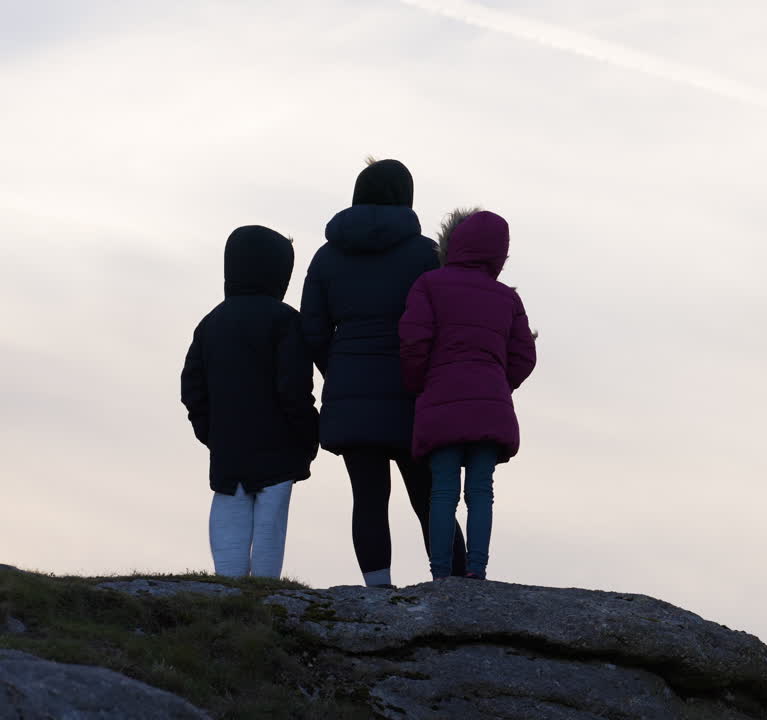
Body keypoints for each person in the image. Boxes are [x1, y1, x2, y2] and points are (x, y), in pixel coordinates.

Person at [300, 158, 465, 588]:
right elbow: (444, 326)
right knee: (430, 496)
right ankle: (460, 588)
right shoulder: (427, 255)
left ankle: (377, 590)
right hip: (413, 396)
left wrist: (338, 369)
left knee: (368, 499)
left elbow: (313, 330)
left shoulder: (326, 257)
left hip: (350, 396)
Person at [400, 209, 537, 580]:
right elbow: (525, 355)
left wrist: (420, 384)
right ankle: (477, 569)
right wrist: (497, 384)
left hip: (440, 400)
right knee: (481, 491)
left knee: (442, 491)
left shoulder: (429, 285)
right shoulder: (507, 299)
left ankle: (441, 573)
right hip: (489, 406)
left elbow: (413, 342)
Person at [180, 225, 318, 578]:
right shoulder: (286, 321)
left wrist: (210, 431)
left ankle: (228, 591)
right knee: (271, 525)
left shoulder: (211, 323)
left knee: (229, 514)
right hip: (279, 446)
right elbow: (295, 388)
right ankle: (266, 594)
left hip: (228, 445)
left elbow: (192, 385)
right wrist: (307, 434)